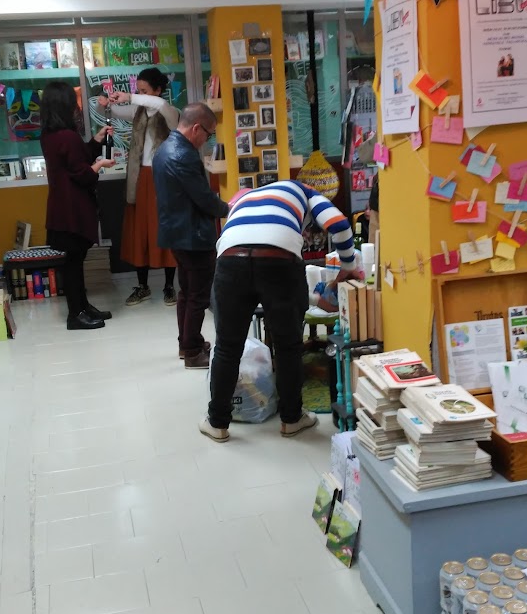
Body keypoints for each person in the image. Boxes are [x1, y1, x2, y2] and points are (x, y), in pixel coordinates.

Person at [200, 179, 360, 443]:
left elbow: (256, 270)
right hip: (280, 260)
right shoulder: (304, 190)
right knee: (288, 346)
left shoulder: (244, 201)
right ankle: (292, 419)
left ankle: (217, 423)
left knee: (227, 347)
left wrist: (314, 299)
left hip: (229, 259)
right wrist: (348, 267)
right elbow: (339, 225)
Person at [152, 102, 229, 368]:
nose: (207, 140)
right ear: (196, 128)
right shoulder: (184, 155)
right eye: (208, 134)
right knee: (198, 295)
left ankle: (187, 343)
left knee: (186, 291)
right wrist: (229, 208)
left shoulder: (164, 148)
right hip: (193, 234)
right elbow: (204, 199)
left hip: (176, 232)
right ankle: (193, 352)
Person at [40, 80, 116, 330]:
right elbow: (83, 174)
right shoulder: (67, 136)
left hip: (61, 207)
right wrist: (100, 164)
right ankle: (76, 314)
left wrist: (96, 140)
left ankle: (83, 307)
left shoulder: (50, 135)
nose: (77, 107)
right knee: (73, 263)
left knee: (74, 260)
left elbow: (76, 158)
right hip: (73, 209)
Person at [104, 68, 179, 307]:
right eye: (138, 90)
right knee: (140, 233)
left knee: (164, 230)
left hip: (162, 179)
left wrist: (129, 96)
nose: (139, 95)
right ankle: (143, 286)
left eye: (144, 90)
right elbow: (113, 110)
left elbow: (159, 104)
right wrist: (105, 103)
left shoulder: (170, 111)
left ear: (157, 90)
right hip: (139, 179)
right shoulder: (138, 111)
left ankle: (169, 286)